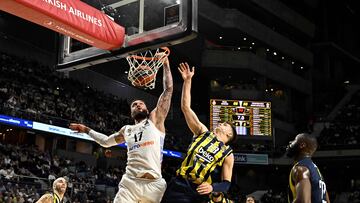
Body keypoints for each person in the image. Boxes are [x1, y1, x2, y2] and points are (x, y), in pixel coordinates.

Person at [69, 56, 173, 203]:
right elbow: (105, 142)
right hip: (130, 183)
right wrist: (86, 129)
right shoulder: (127, 130)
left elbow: (168, 90)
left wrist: (166, 65)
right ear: (131, 112)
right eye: (134, 105)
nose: (138, 105)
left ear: (147, 109)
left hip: (153, 184)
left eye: (141, 104)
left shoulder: (155, 120)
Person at [161, 63, 236, 203]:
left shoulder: (228, 153)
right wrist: (187, 81)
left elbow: (226, 184)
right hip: (179, 183)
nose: (221, 123)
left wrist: (212, 187)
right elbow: (185, 107)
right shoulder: (203, 132)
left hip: (199, 190)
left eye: (225, 124)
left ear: (229, 135)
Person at [286, 133, 330, 203]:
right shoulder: (316, 171)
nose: (290, 142)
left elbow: (304, 201)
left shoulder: (301, 169)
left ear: (302, 145)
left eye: (294, 140)